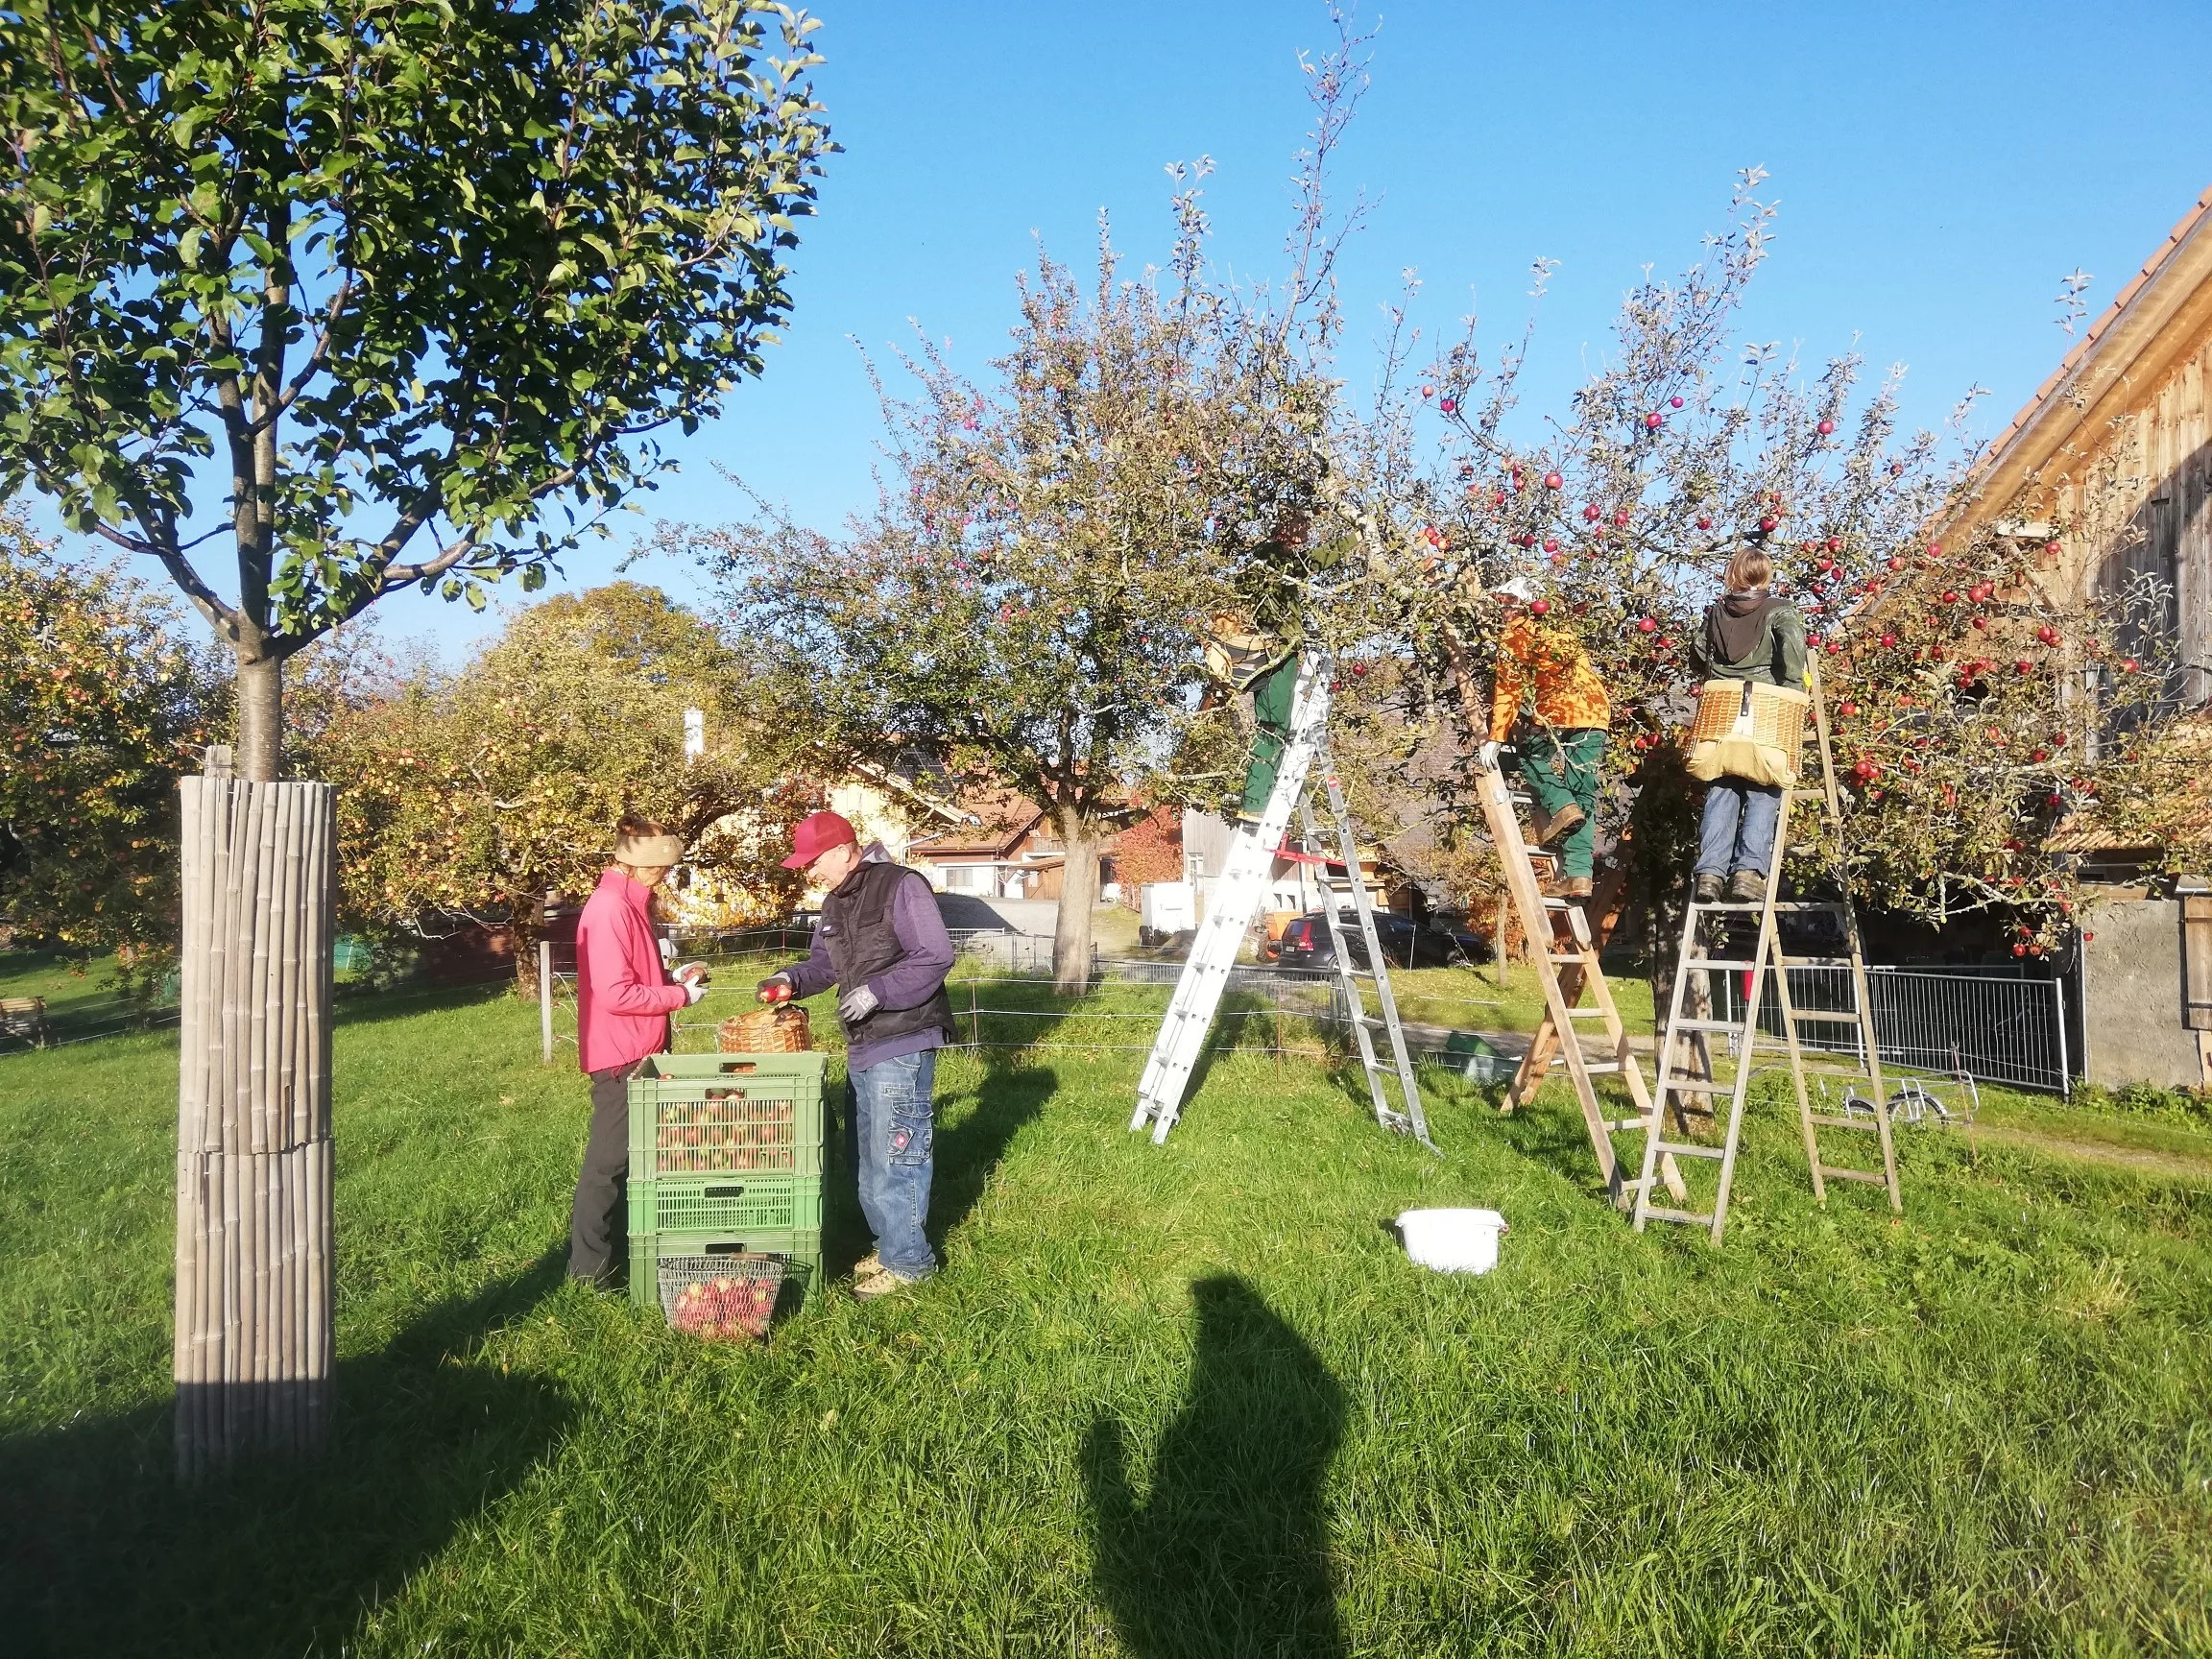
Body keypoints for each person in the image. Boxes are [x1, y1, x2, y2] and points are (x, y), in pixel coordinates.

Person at [758, 810, 956, 1299]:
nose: (811, 872)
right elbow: (824, 966)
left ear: (843, 850)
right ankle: (890, 1245)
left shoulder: (901, 885)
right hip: (864, 1044)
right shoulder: (835, 902)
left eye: (815, 862)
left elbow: (935, 954)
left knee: (898, 1157)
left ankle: (911, 1263)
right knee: (867, 1156)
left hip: (902, 1039)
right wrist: (791, 980)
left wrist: (877, 992)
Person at [568, 815, 708, 1286]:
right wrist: (679, 998)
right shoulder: (610, 909)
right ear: (639, 866)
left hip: (640, 1050)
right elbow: (615, 994)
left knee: (637, 1160)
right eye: (661, 869)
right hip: (621, 1058)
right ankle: (587, 1274)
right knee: (607, 1167)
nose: (665, 877)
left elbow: (635, 980)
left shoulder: (629, 905)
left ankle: (630, 1257)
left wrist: (673, 979)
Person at [1688, 547, 1809, 904]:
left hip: (1722, 710)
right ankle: (1748, 872)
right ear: (1766, 576)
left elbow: (1697, 656)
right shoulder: (1781, 611)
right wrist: (1795, 695)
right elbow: (1792, 661)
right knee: (1764, 785)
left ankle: (1710, 872)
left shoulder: (1716, 613)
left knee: (1722, 786)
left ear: (1734, 574)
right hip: (1767, 709)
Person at [1478, 576, 1612, 898]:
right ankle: (1579, 875)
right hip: (1594, 713)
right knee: (1583, 790)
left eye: (1509, 601)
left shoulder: (1517, 635)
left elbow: (1508, 689)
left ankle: (1561, 805)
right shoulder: (1561, 626)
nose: (1503, 608)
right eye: (1501, 602)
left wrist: (1496, 735)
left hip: (1557, 713)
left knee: (1531, 758)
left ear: (1524, 604)